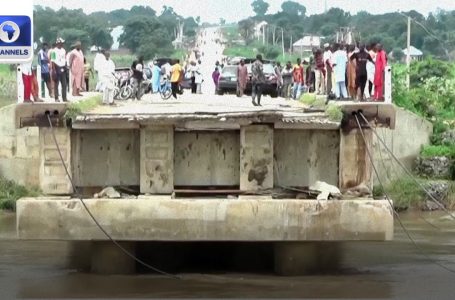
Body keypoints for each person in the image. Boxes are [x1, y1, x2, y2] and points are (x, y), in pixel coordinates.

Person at [53, 38, 68, 102]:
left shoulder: (63, 50)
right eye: (61, 43)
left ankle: (64, 98)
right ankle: (56, 98)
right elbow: (52, 61)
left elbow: (64, 59)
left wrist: (65, 67)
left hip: (63, 67)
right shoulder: (53, 51)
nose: (62, 44)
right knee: (56, 84)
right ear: (58, 43)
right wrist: (54, 70)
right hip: (57, 67)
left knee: (64, 84)